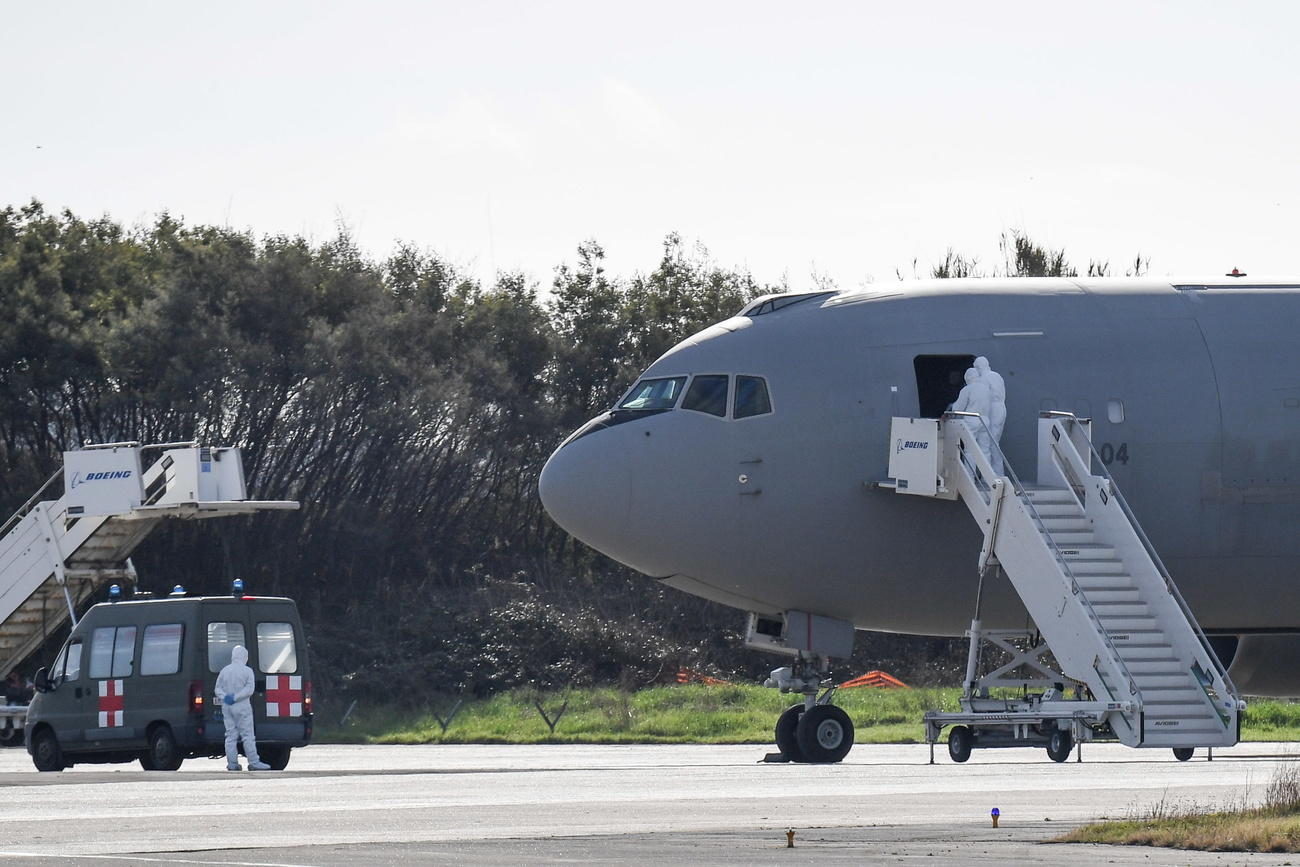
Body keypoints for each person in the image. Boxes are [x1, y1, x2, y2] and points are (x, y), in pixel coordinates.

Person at [214, 645, 270, 771]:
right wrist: (236, 697)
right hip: (242, 706)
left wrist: (226, 697)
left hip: (227, 706)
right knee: (248, 735)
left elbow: (217, 688)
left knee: (230, 735)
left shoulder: (225, 670)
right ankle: (254, 762)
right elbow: (249, 690)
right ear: (244, 656)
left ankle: (232, 764)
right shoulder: (247, 671)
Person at [949, 368, 994, 469]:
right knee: (985, 450)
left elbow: (958, 407)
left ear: (967, 378)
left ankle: (970, 477)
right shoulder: (987, 389)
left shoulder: (967, 389)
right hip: (985, 421)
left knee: (969, 450)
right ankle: (987, 478)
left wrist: (950, 412)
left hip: (971, 420)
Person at [973, 356, 1007, 474]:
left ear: (979, 367)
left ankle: (993, 474)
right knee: (995, 441)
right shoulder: (997, 376)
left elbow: (982, 396)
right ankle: (998, 472)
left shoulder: (983, 378)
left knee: (989, 442)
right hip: (1001, 408)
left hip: (992, 409)